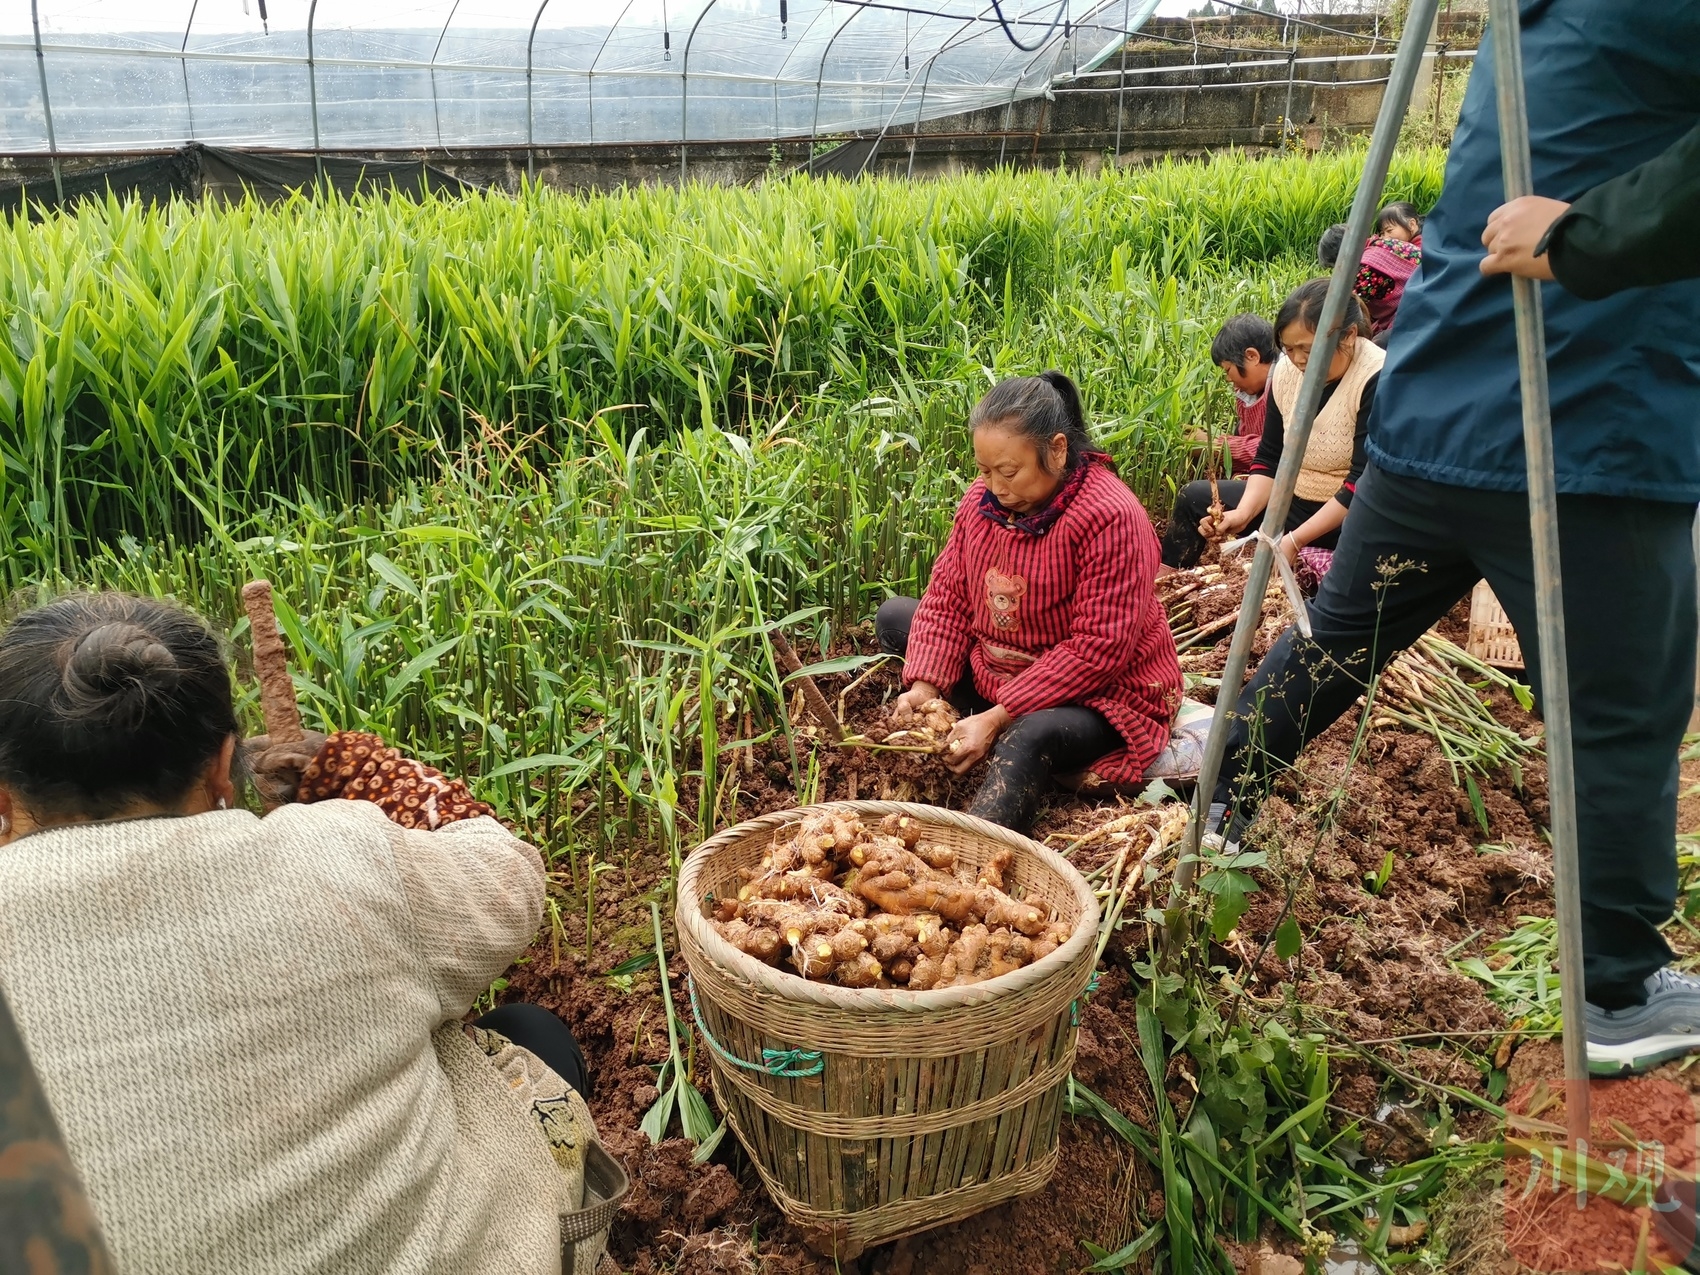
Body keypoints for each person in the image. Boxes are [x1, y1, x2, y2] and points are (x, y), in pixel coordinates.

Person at [1206, 0, 1700, 1080]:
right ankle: (1614, 989)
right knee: (1617, 713)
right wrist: (1585, 237)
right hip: (1584, 433)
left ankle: (1208, 803)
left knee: (1339, 639)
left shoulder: (1524, 21)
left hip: (1434, 420)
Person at [0, 593, 602, 1274]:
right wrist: (345, 767)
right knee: (529, 1034)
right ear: (224, 766)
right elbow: (510, 876)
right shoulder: (337, 856)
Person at [875, 371, 1181, 833]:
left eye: (1009, 471)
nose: (995, 487)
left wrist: (998, 717)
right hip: (1000, 669)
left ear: (1057, 450)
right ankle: (983, 722)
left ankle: (976, 846)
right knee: (897, 616)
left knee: (1029, 734)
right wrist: (924, 689)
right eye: (984, 470)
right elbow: (947, 597)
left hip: (1097, 692)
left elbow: (1098, 650)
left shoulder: (1112, 517)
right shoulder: (982, 504)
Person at [1160, 278, 1384, 576]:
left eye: (1307, 348)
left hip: (1349, 513)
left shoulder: (1376, 377)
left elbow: (1361, 482)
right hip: (1292, 500)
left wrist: (1296, 539)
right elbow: (1269, 457)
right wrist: (1243, 513)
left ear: (1349, 335)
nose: (1298, 359)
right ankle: (1159, 590)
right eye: (1289, 349)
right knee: (1194, 498)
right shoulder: (1285, 372)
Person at [1199, 312, 1277, 478]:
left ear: (1252, 356)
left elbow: (1274, 448)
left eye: (1228, 370)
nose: (1228, 379)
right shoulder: (1247, 392)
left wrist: (1214, 446)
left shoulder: (1285, 385)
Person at [1318, 221, 1423, 339]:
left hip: (1418, 311)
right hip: (1432, 290)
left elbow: (1352, 313)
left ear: (1339, 259)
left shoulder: (1364, 269)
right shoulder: (1381, 243)